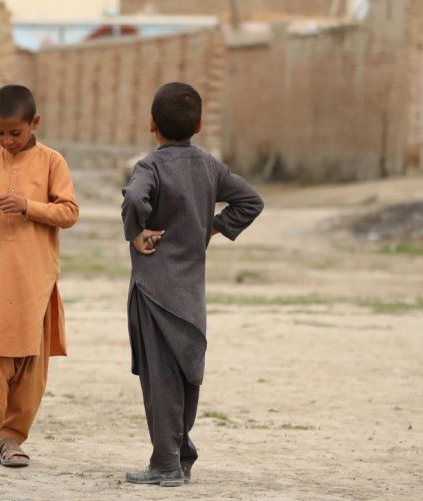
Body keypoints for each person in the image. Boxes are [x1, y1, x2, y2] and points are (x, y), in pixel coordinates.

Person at [121, 82, 263, 487]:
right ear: (199, 124)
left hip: (154, 290)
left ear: (152, 123)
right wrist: (212, 228)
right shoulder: (210, 167)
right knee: (187, 374)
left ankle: (166, 463)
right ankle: (180, 456)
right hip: (191, 297)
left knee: (160, 378)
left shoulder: (150, 167)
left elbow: (134, 200)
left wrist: (137, 232)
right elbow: (251, 201)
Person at [0, 84, 79, 468]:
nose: (6, 140)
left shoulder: (53, 162)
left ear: (34, 123)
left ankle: (12, 439)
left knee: (28, 360)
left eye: (15, 133)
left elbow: (69, 212)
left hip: (32, 280)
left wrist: (29, 207)